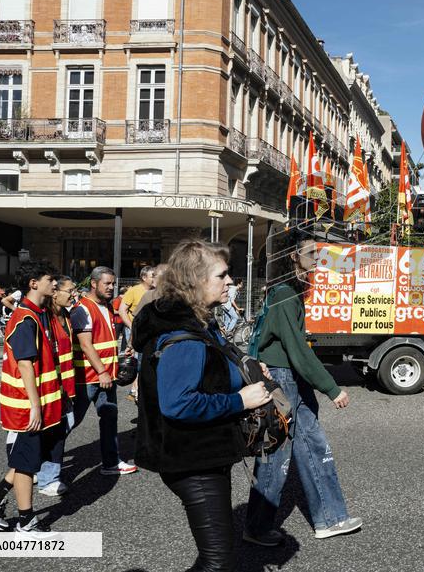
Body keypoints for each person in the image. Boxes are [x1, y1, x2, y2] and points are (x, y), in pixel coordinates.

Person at [132, 240, 272, 572]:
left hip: (197, 456)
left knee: (214, 555)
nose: (230, 282)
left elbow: (213, 369)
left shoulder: (196, 321)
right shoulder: (184, 335)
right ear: (195, 281)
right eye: (221, 275)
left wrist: (245, 369)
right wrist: (241, 399)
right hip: (193, 461)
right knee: (218, 562)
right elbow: (179, 403)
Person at [244, 234, 362, 545]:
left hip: (287, 375)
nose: (317, 257)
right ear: (293, 256)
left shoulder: (286, 292)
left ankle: (331, 518)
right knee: (276, 451)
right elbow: (297, 350)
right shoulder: (285, 294)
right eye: (312, 252)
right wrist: (332, 388)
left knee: (310, 444)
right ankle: (257, 527)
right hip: (283, 377)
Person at [0, 261, 67, 532]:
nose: (55, 284)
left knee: (26, 459)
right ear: (34, 283)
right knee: (26, 464)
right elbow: (25, 364)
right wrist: (35, 408)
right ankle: (26, 521)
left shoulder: (37, 313)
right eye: (50, 280)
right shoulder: (26, 317)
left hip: (39, 402)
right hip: (26, 405)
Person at [71, 266, 138, 476]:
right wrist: (102, 371)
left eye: (113, 283)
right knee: (70, 422)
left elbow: (104, 341)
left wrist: (122, 352)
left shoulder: (108, 307)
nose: (111, 287)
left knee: (109, 419)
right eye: (107, 283)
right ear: (94, 283)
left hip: (106, 376)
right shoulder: (82, 308)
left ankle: (110, 462)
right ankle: (40, 466)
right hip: (89, 378)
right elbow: (86, 345)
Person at [35, 277, 79, 496]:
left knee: (63, 427)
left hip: (64, 385)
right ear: (55, 293)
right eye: (70, 290)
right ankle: (47, 478)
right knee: (54, 431)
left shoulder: (66, 315)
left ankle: (39, 468)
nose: (73, 294)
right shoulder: (45, 317)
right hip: (48, 385)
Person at [119, 265, 155, 348]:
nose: (155, 278)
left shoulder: (156, 291)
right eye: (152, 276)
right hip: (135, 329)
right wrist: (131, 326)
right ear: (144, 278)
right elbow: (122, 310)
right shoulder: (133, 290)